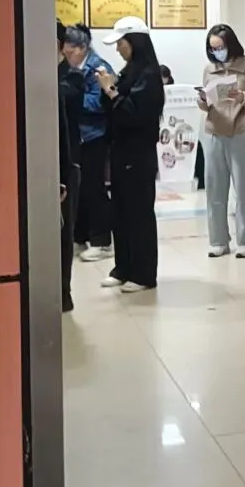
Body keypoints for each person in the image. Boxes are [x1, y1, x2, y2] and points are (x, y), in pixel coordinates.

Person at [97, 17, 164, 294]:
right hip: (120, 151)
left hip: (138, 154)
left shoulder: (149, 76)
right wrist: (107, 90)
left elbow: (134, 114)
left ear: (134, 42)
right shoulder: (129, 72)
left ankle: (143, 273)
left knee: (139, 214)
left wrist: (111, 91)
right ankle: (123, 267)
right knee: (121, 212)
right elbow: (112, 110)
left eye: (121, 43)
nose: (118, 49)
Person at [198, 24, 245, 259]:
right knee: (214, 190)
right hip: (214, 131)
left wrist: (243, 96)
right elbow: (205, 104)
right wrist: (202, 99)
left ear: (230, 44)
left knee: (244, 189)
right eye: (212, 48)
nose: (217, 52)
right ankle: (218, 241)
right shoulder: (209, 70)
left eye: (220, 47)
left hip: (240, 131)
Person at [63, 23, 113, 262]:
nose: (66, 57)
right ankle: (79, 237)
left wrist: (74, 99)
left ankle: (102, 241)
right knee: (78, 189)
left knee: (94, 189)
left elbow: (101, 103)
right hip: (77, 137)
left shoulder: (98, 69)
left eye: (69, 52)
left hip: (95, 136)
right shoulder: (71, 69)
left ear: (81, 48)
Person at [57, 21, 86, 313]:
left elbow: (64, 98)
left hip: (68, 164)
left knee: (64, 233)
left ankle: (63, 293)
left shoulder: (72, 78)